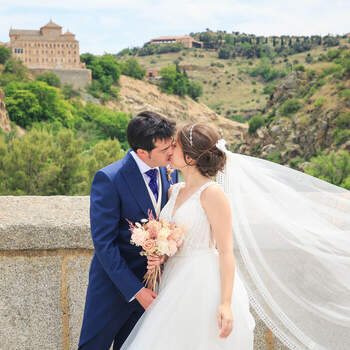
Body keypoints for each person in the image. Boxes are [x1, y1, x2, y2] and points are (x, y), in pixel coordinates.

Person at [121, 123, 256, 349]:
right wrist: (162, 254)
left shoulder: (212, 194)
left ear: (191, 158)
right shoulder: (174, 190)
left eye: (176, 145)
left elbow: (225, 251)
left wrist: (225, 303)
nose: (170, 150)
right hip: (172, 280)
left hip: (202, 283)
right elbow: (178, 239)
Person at [78, 111, 178, 350]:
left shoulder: (168, 173)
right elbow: (104, 244)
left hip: (153, 288)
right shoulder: (109, 178)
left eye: (171, 146)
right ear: (142, 152)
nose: (171, 153)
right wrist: (136, 291)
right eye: (165, 150)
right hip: (112, 289)